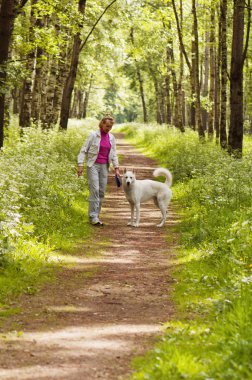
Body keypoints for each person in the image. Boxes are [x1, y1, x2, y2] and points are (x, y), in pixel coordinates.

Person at [77, 115, 120, 226]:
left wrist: (116, 168)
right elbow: (83, 150)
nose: (108, 128)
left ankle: (96, 215)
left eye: (110, 126)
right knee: (95, 190)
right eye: (106, 126)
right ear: (101, 124)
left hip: (104, 166)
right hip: (93, 165)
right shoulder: (93, 135)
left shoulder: (111, 138)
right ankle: (93, 216)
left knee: (101, 192)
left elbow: (114, 153)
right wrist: (80, 164)